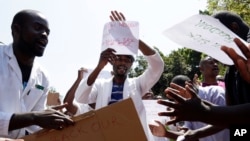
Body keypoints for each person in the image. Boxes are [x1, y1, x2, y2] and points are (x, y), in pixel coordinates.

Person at [157, 11, 250, 140]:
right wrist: (196, 128)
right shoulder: (230, 73)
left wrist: (203, 112)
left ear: (234, 28)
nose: (215, 52)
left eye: (216, 42)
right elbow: (230, 117)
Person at [75, 10, 164, 141]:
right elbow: (81, 97)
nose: (122, 62)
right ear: (111, 60)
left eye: (127, 59)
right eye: (118, 58)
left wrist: (133, 39)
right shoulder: (100, 85)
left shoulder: (138, 84)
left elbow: (158, 66)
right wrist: (99, 66)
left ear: (131, 64)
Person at [0, 9, 74, 138]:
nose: (44, 35)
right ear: (16, 30)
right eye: (37, 28)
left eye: (47, 32)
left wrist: (52, 120)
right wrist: (33, 117)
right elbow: (33, 117)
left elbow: (34, 124)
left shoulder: (43, 76)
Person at [150, 75, 229, 141]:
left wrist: (195, 133)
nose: (179, 99)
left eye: (180, 94)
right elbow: (188, 134)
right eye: (176, 98)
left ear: (190, 84)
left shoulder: (215, 92)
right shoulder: (186, 107)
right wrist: (166, 133)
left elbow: (227, 119)